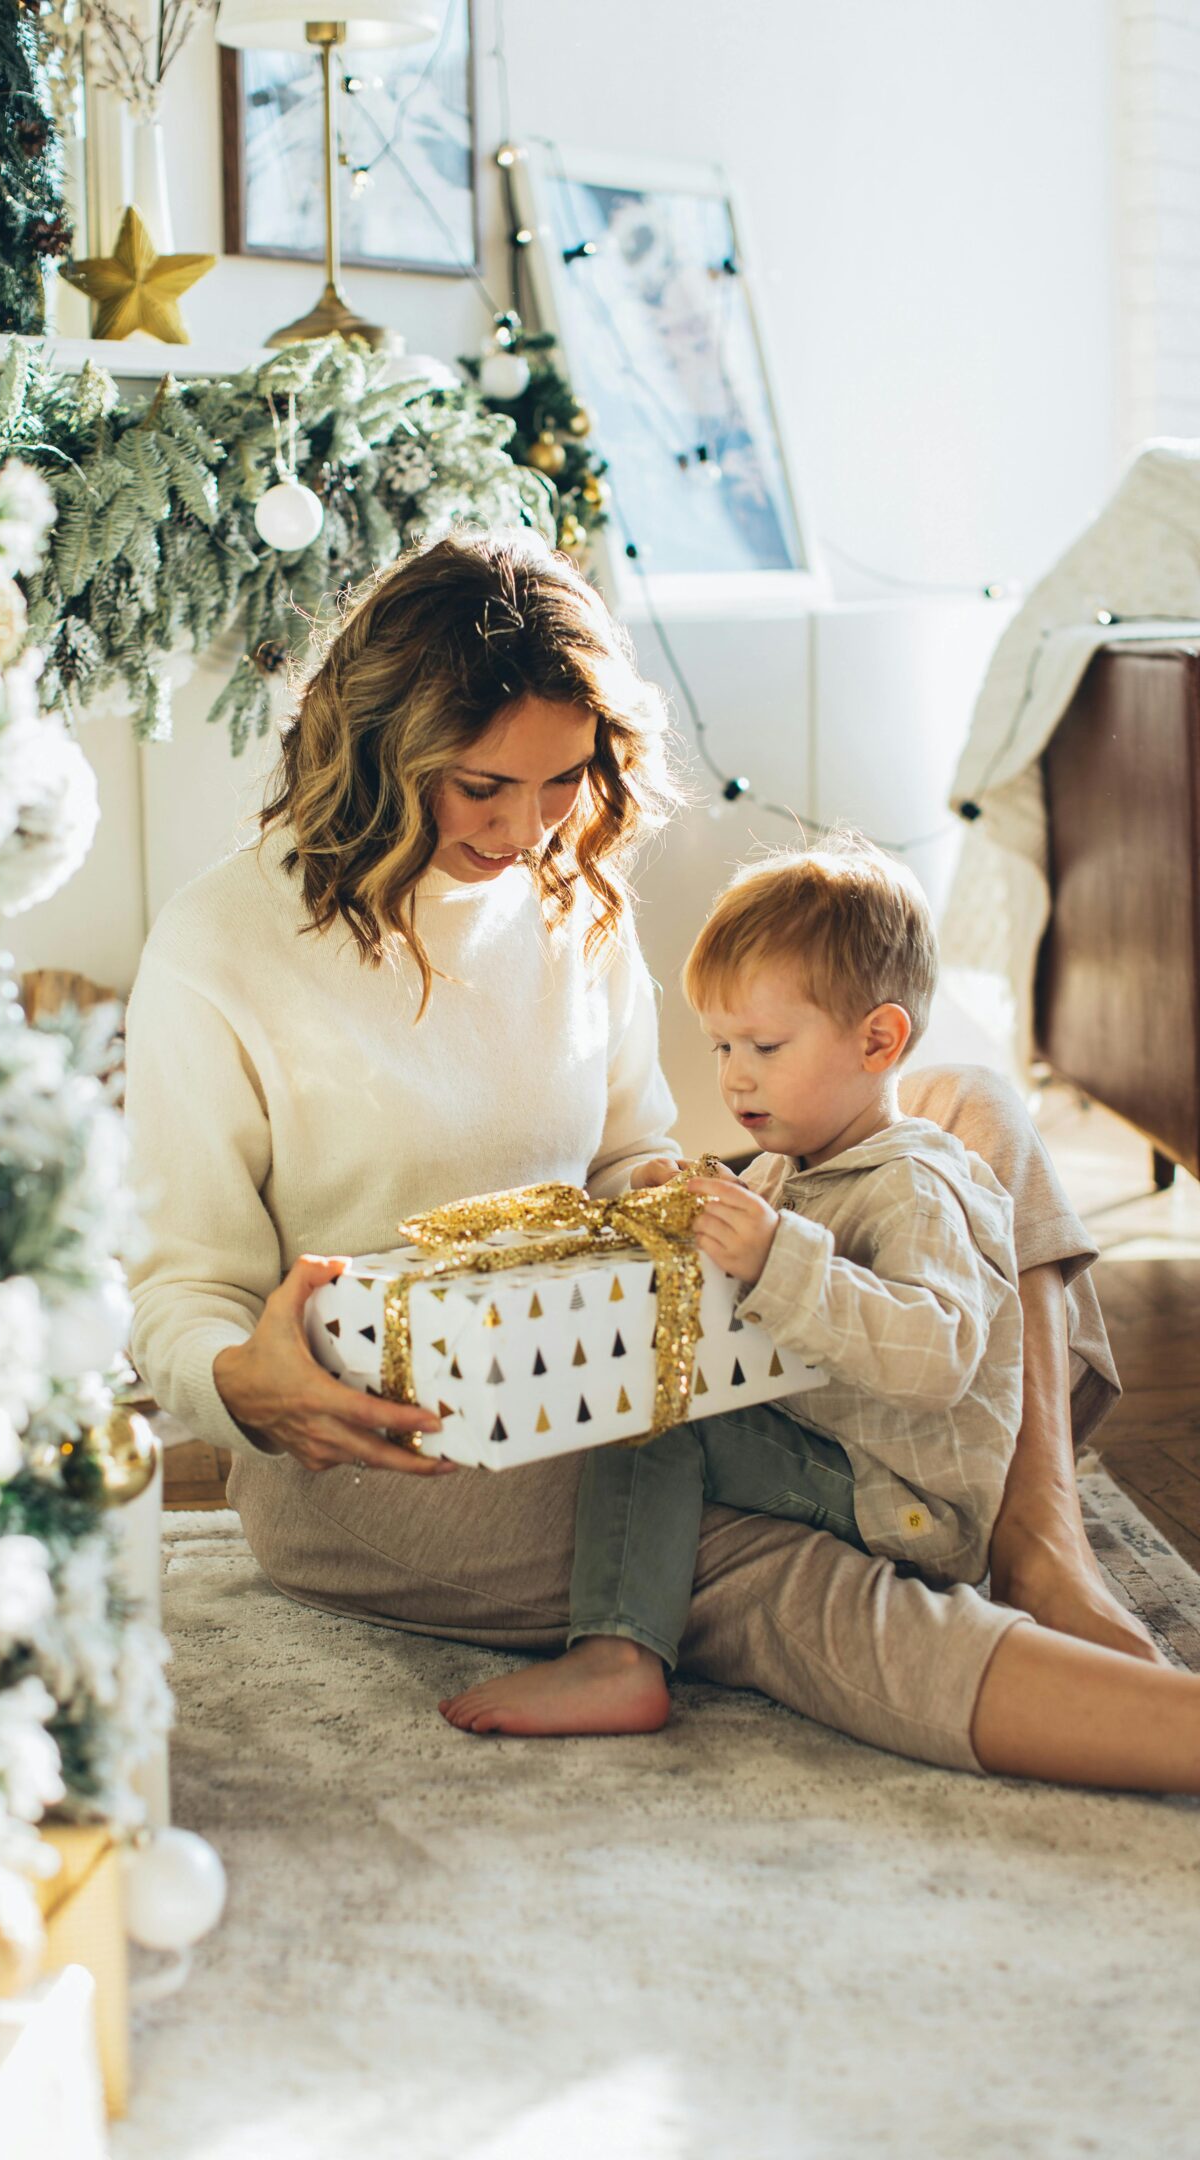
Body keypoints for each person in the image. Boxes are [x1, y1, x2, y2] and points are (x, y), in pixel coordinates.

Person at [126, 528, 1200, 1799]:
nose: (527, 826)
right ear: (377, 751)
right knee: (756, 1563)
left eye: (563, 780)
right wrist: (249, 1388)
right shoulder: (221, 947)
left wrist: (695, 1200)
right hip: (400, 1454)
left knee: (961, 1113)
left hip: (610, 1355)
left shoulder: (570, 896)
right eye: (482, 787)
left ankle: (1038, 1545)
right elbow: (174, 1300)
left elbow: (628, 1151)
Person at [439, 837, 1025, 1738]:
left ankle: (618, 1656)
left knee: (660, 1413)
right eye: (721, 1044)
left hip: (900, 1496)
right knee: (644, 1387)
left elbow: (938, 1356)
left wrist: (777, 1254)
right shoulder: (799, 1164)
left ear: (879, 1040)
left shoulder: (914, 1185)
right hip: (827, 1443)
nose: (735, 1075)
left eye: (765, 1044)